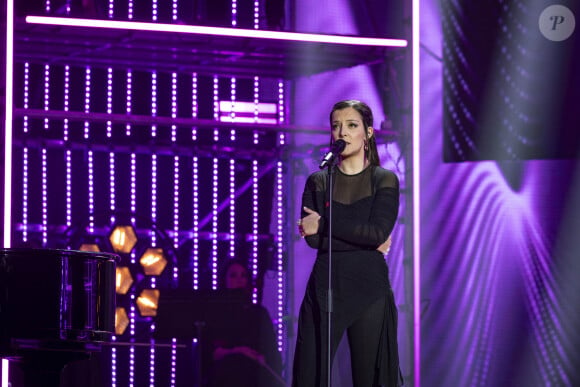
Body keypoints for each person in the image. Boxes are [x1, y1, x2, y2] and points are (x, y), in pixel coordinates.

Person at [292, 100, 403, 386]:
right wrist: (363, 240)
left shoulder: (384, 179)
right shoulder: (318, 180)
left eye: (351, 125)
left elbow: (377, 232)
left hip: (368, 289)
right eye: (336, 126)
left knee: (369, 378)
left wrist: (327, 223)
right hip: (325, 286)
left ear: (368, 133)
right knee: (311, 375)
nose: (342, 132)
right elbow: (314, 240)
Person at [206, 258, 285, 387]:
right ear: (224, 280)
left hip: (254, 376)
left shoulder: (259, 313)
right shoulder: (215, 313)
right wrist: (239, 351)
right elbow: (209, 354)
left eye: (243, 276)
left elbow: (272, 353)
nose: (239, 280)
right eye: (233, 276)